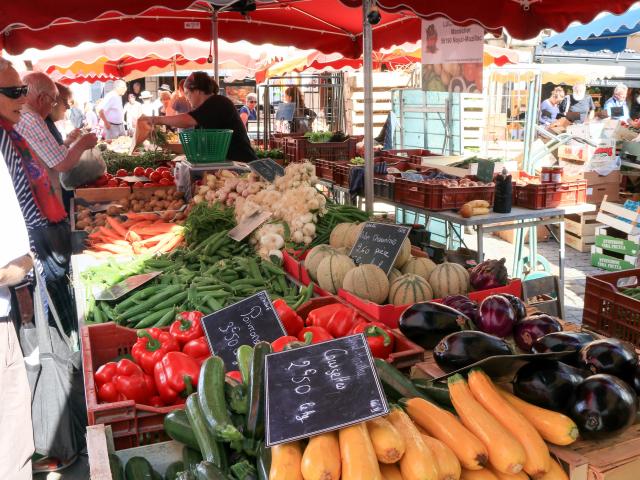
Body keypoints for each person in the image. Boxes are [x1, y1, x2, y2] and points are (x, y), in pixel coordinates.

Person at [139, 72, 257, 162]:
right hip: (229, 164)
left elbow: (187, 120)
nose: (187, 98)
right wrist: (163, 144)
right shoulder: (204, 111)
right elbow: (195, 147)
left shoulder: (218, 102)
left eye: (187, 93)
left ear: (198, 91)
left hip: (243, 163)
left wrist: (155, 119)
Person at [16, 73, 98, 202]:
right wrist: (83, 143)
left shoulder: (23, 115)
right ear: (42, 98)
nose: (51, 109)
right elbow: (62, 164)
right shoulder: (32, 119)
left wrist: (69, 142)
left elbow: (50, 154)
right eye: (53, 101)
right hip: (41, 199)